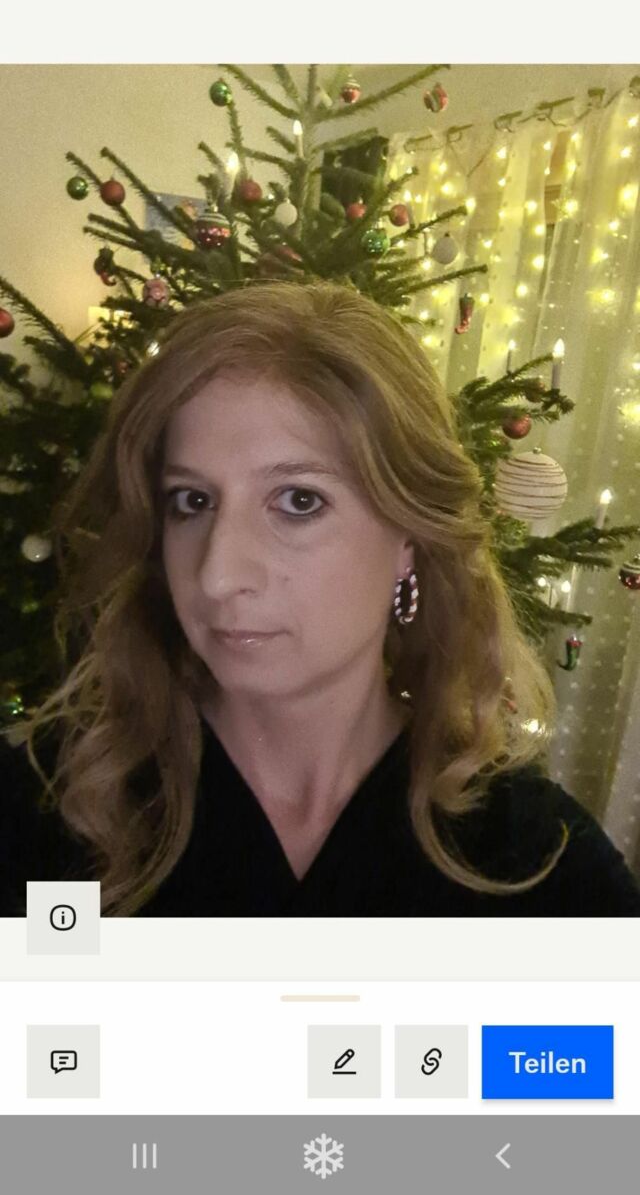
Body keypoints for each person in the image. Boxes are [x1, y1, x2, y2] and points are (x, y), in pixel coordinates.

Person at [1, 278, 639, 917]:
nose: (217, 574)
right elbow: (48, 982)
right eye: (191, 501)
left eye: (299, 501)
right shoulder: (59, 814)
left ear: (410, 537)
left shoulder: (536, 866)